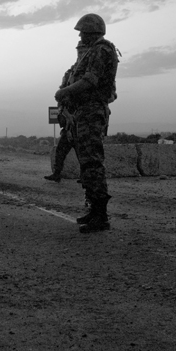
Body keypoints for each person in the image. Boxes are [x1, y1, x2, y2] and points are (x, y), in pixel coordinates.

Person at [55, 13, 119, 233]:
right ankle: (94, 209)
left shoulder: (102, 50)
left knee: (92, 162)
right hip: (83, 112)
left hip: (92, 112)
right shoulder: (91, 53)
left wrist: (64, 92)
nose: (80, 36)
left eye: (82, 31)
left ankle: (101, 215)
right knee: (86, 163)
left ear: (92, 32)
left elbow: (89, 81)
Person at [45, 41, 87, 182]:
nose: (80, 53)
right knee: (61, 150)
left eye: (83, 50)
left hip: (84, 117)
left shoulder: (92, 70)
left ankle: (85, 176)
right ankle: (57, 174)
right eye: (79, 51)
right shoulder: (71, 72)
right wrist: (66, 113)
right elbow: (61, 94)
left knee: (84, 152)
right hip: (68, 118)